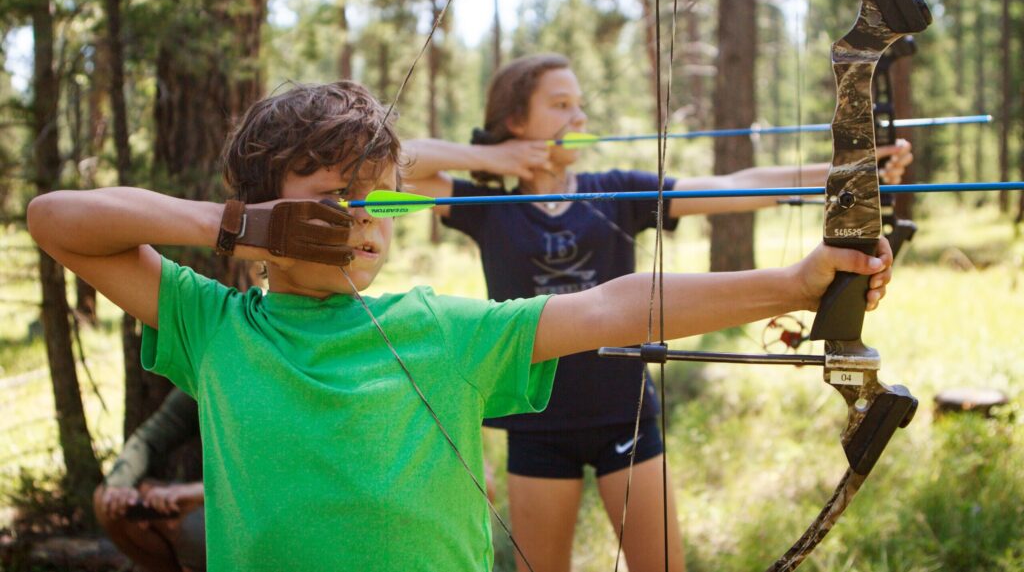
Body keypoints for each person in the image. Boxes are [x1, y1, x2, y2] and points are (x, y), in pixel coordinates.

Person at [27, 80, 893, 572]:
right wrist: (232, 224)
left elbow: (617, 305)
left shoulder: (439, 327)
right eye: (332, 199)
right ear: (256, 215)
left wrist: (797, 280)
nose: (361, 220)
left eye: (374, 199)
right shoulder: (215, 322)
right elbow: (54, 218)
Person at [402, 52, 913, 572]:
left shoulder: (615, 191)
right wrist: (494, 159)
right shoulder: (487, 207)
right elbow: (388, 167)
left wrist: (849, 170)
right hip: (537, 426)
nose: (579, 118)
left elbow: (736, 185)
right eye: (560, 106)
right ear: (515, 121)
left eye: (580, 106)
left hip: (626, 415)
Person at [93, 388, 205, 572]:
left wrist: (200, 494)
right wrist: (119, 486)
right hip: (210, 507)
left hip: (253, 519)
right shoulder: (205, 377)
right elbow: (148, 439)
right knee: (108, 502)